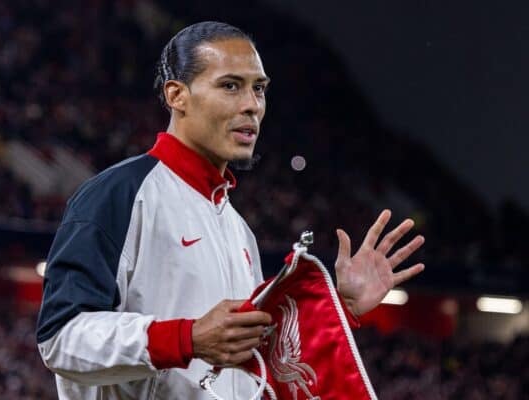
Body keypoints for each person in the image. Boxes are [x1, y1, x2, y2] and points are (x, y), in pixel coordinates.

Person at [36, 21, 425, 399]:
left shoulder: (238, 230)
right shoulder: (117, 195)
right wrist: (186, 338)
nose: (252, 105)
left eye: (259, 89)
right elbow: (61, 337)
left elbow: (252, 366)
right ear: (177, 95)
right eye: (230, 86)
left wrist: (337, 308)